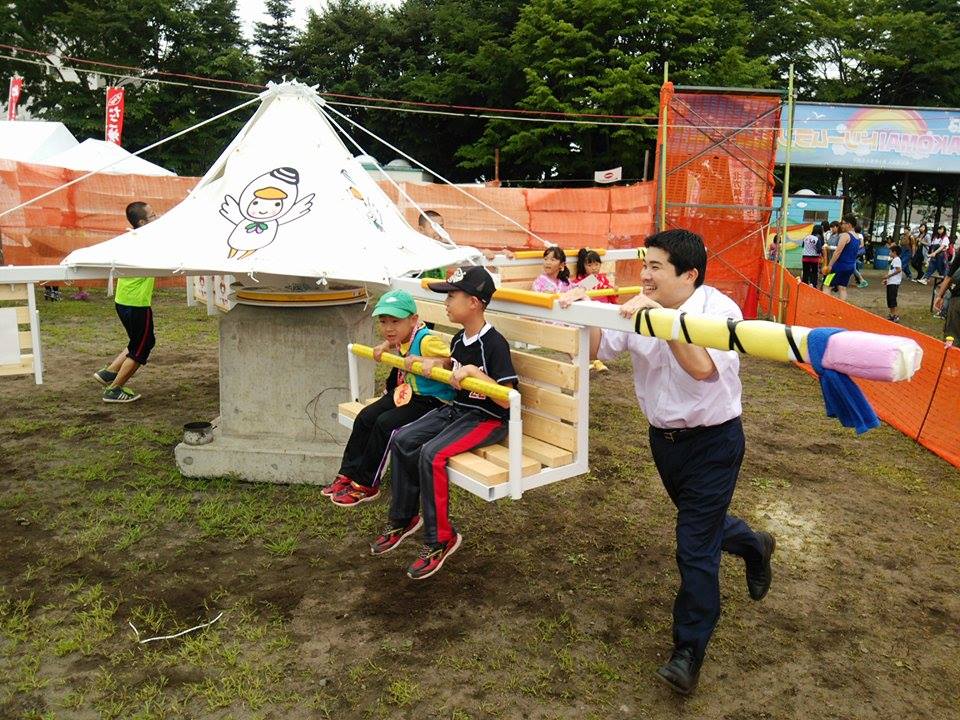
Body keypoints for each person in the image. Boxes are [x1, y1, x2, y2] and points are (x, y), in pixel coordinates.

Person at [559, 229, 775, 696]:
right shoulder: (642, 304)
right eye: (645, 264)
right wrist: (583, 311)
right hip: (665, 442)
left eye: (656, 266)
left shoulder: (720, 312)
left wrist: (662, 320)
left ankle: (688, 651)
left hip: (714, 443)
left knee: (694, 545)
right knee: (702, 524)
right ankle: (754, 544)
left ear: (689, 274)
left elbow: (702, 368)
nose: (645, 274)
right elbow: (597, 349)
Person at [370, 266, 517, 580]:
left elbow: (507, 398)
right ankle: (404, 519)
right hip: (458, 411)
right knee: (403, 439)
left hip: (487, 419)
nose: (446, 303)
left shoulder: (494, 343)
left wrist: (475, 373)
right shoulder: (460, 338)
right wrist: (435, 362)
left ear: (474, 303)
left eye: (452, 297)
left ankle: (441, 539)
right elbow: (452, 364)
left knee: (431, 454)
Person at [323, 289, 455, 506]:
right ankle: (348, 474)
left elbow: (454, 359)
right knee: (365, 417)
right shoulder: (404, 336)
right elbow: (400, 341)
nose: (388, 328)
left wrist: (434, 361)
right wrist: (386, 344)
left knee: (385, 424)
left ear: (413, 320)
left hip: (432, 400)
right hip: (408, 393)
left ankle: (366, 484)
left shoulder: (427, 341)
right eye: (383, 322)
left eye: (395, 321)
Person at [93, 202, 158, 403]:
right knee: (143, 347)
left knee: (137, 342)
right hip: (136, 304)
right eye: (153, 215)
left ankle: (109, 372)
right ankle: (114, 389)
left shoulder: (132, 238)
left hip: (123, 301)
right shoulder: (148, 241)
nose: (157, 218)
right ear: (142, 222)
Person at [822, 214, 861, 302]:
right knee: (842, 288)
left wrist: (830, 265)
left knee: (826, 285)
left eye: (843, 223)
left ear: (849, 224)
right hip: (850, 266)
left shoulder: (845, 235)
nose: (841, 225)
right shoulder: (857, 237)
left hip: (839, 266)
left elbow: (837, 252)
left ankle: (825, 305)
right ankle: (841, 307)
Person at [882, 245, 903, 323]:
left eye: (890, 252)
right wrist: (887, 279)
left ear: (894, 252)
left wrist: (888, 276)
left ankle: (895, 315)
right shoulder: (894, 260)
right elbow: (892, 270)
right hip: (891, 282)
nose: (889, 253)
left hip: (894, 283)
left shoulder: (897, 259)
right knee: (890, 299)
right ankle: (892, 314)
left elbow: (899, 270)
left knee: (892, 299)